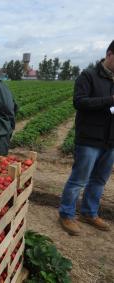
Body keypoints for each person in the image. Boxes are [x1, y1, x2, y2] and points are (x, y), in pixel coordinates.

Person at [59, 40, 114, 236]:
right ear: (109, 54)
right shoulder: (88, 76)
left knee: (99, 180)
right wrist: (110, 100)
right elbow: (79, 102)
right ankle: (66, 214)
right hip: (90, 138)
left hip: (111, 139)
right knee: (79, 179)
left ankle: (89, 213)